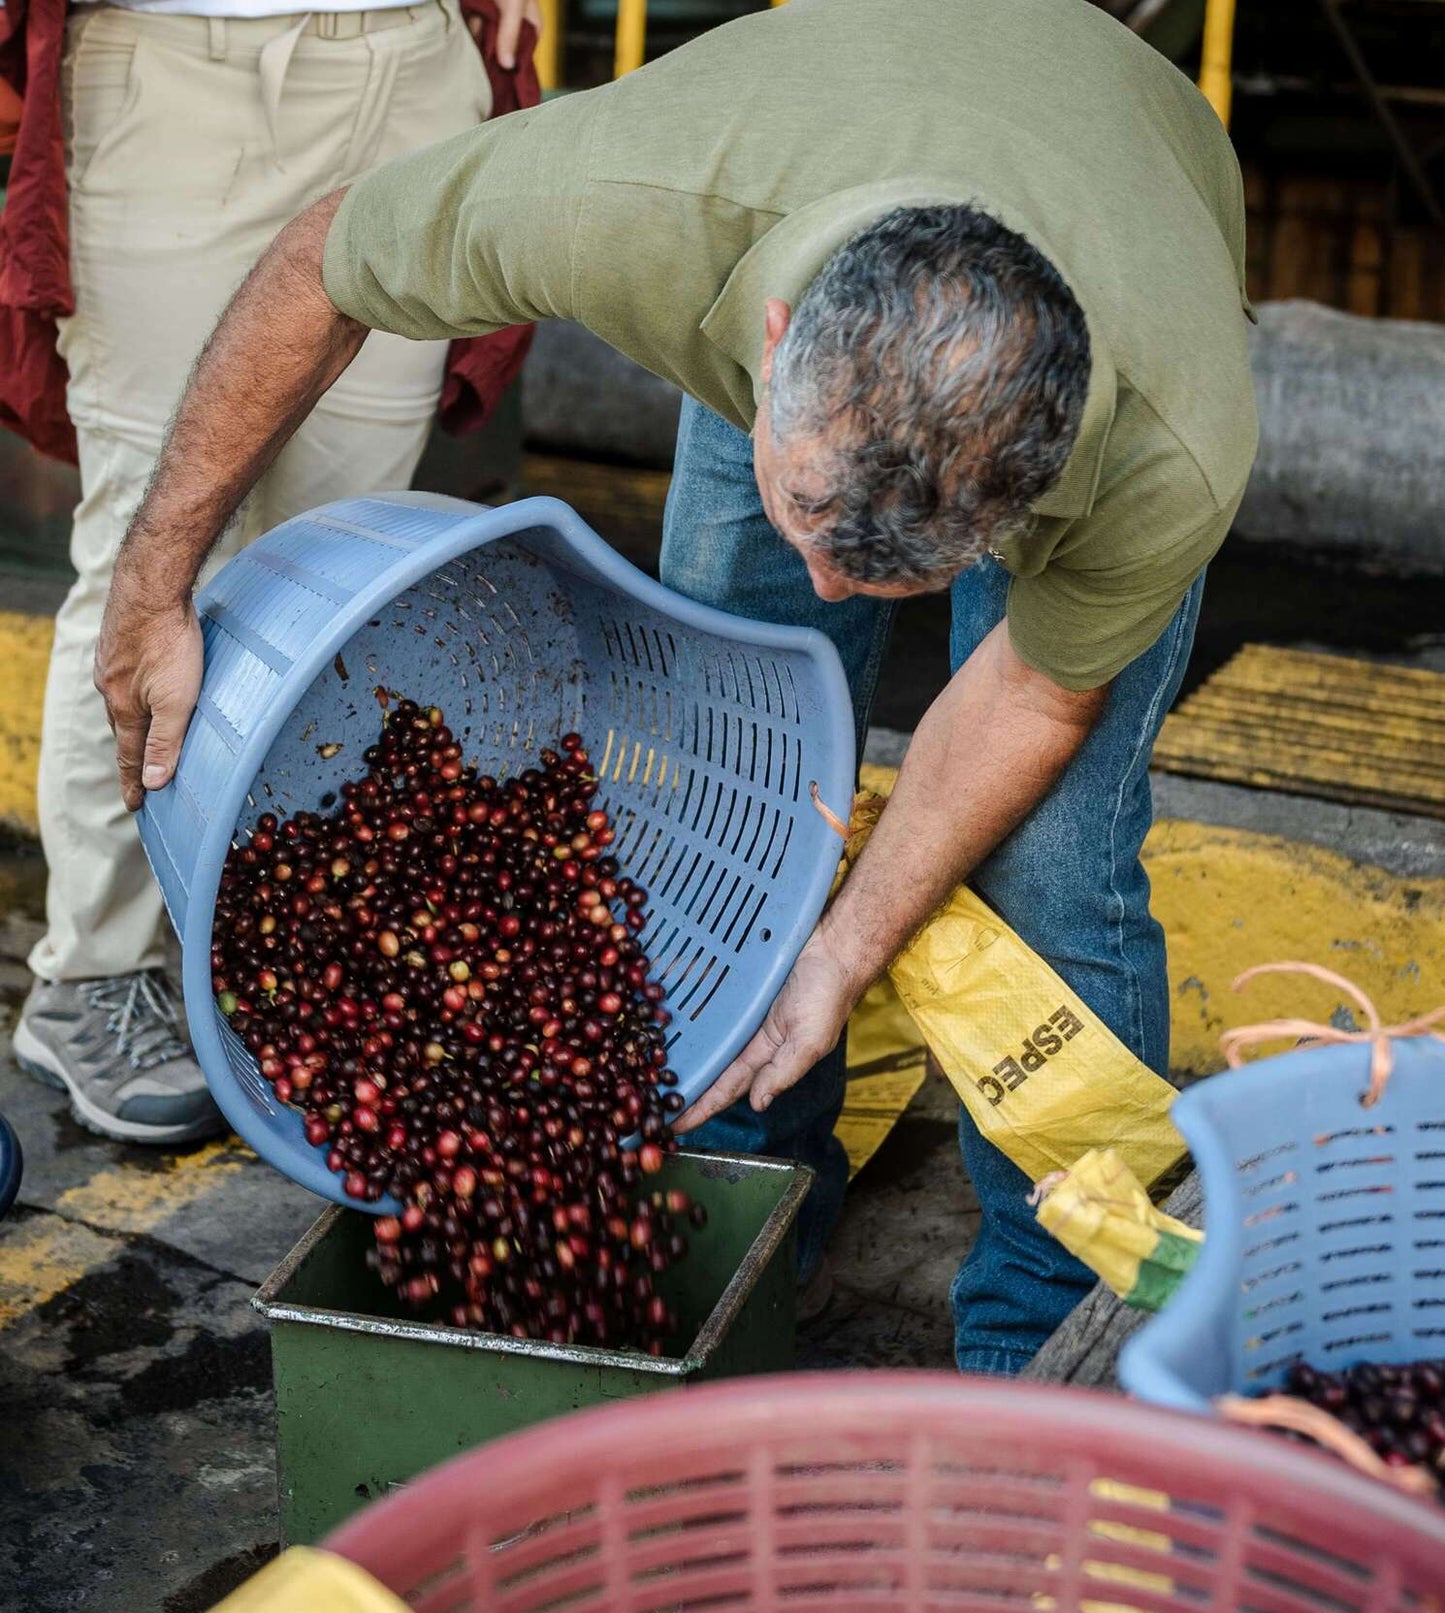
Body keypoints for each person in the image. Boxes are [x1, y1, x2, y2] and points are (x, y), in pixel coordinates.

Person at [93, 0, 1259, 1372]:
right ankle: (751, 1225)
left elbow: (1032, 700)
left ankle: (1057, 1338)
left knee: (1053, 869)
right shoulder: (627, 207)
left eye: (895, 570)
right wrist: (151, 583)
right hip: (805, 155)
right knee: (738, 753)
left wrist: (840, 955)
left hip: (1123, 195)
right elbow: (322, 267)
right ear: (771, 345)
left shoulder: (1168, 446)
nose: (827, 591)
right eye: (809, 523)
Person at [1, 0, 539, 1144]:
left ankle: (295, 966)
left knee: (350, 579)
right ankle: (94, 972)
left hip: (410, 72)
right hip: (173, 73)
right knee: (148, 554)